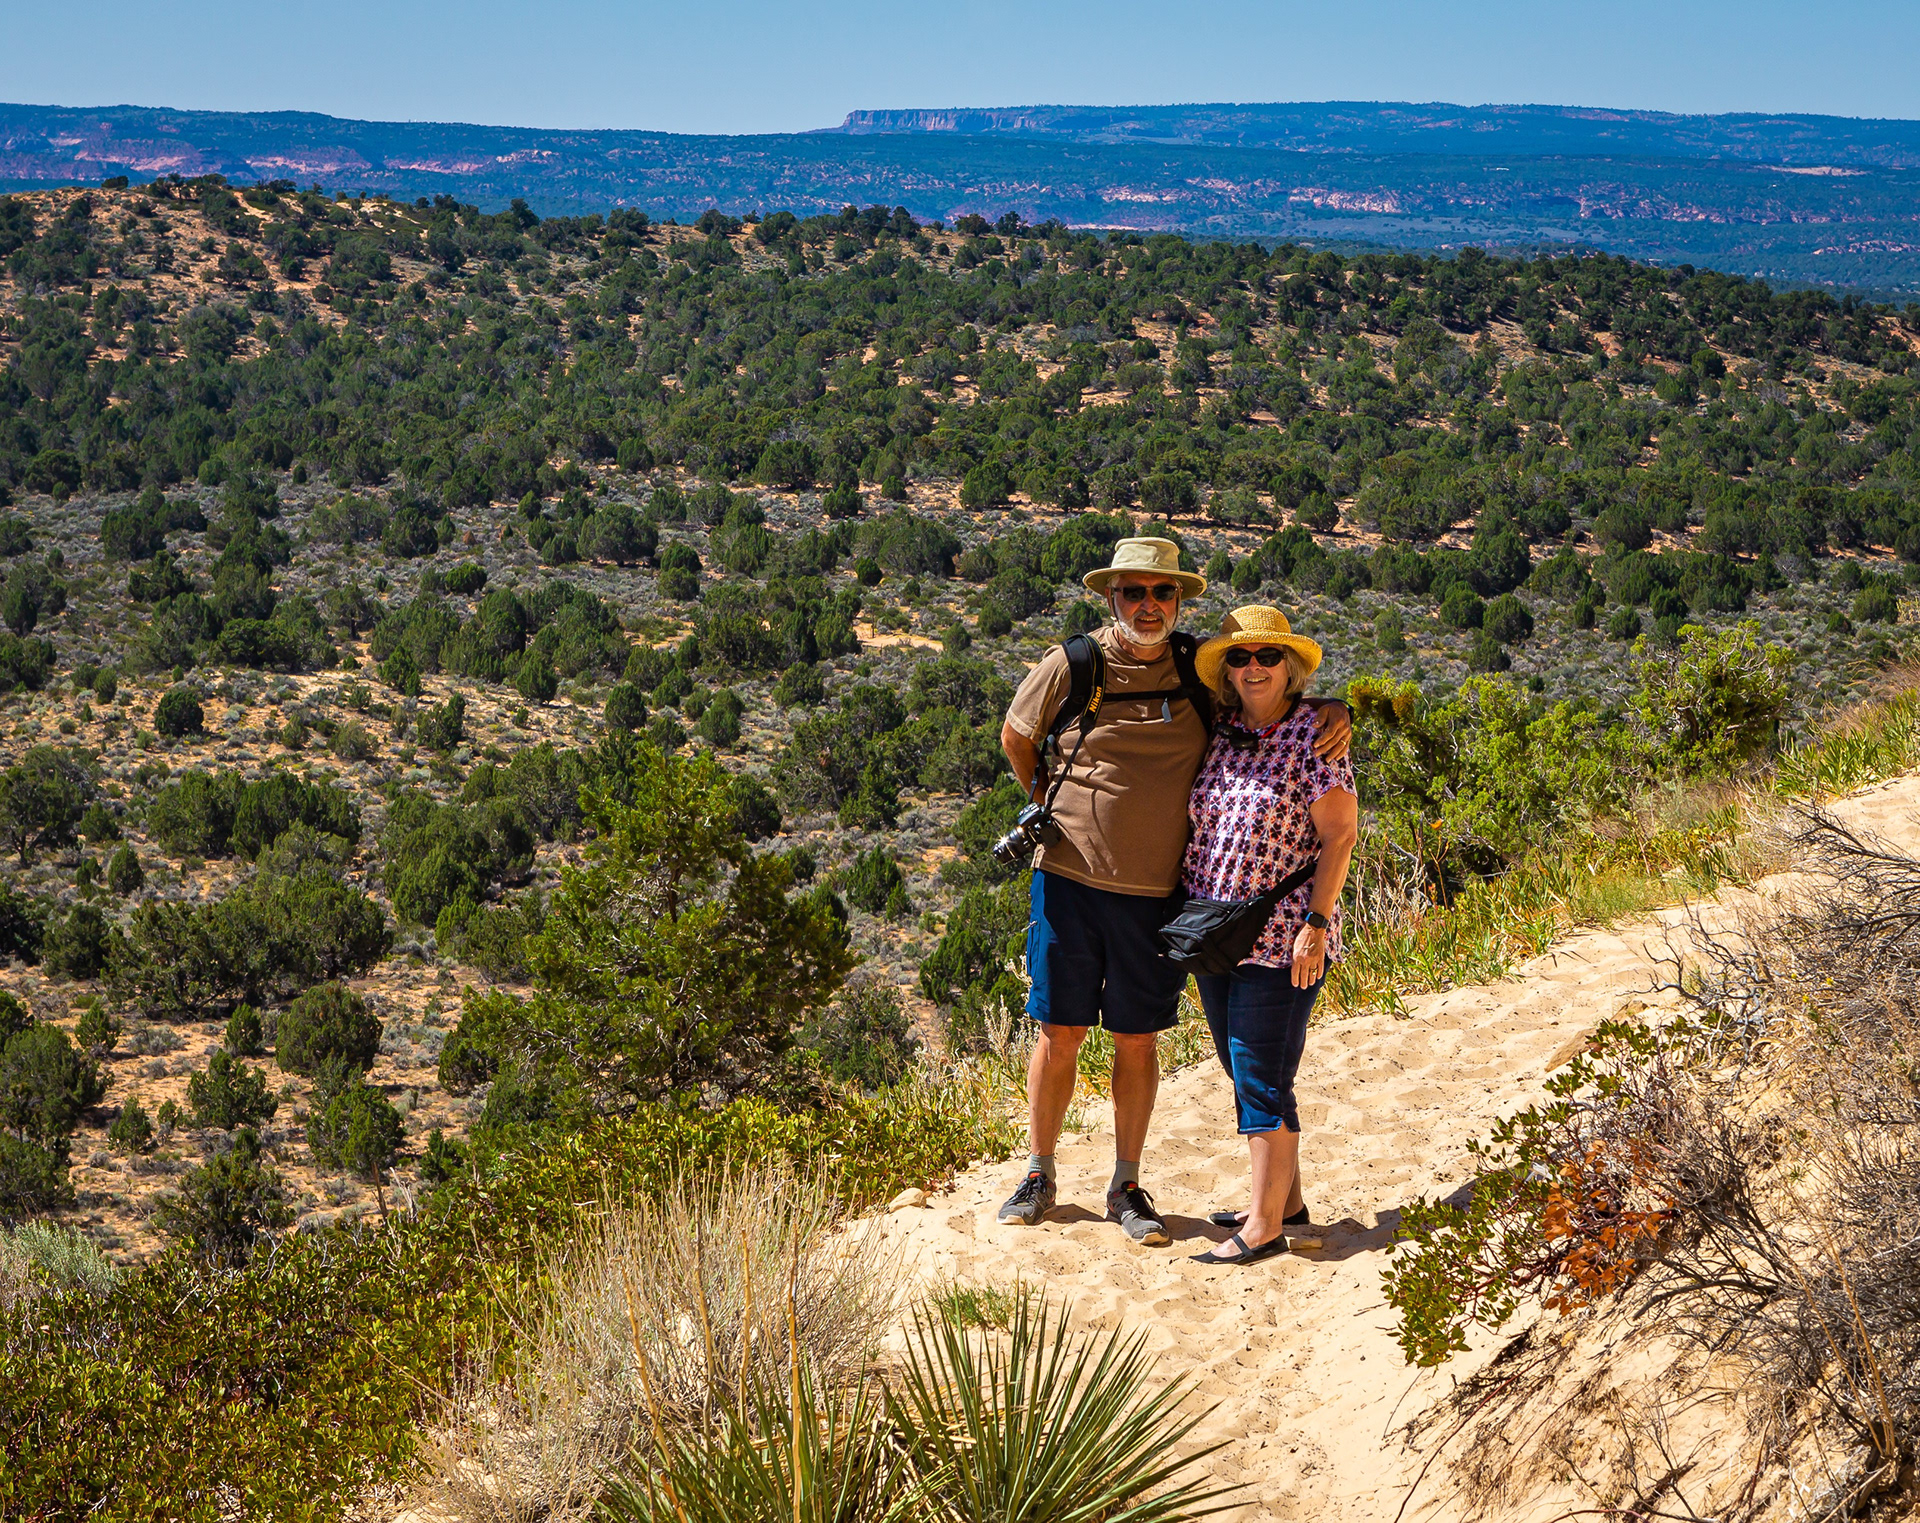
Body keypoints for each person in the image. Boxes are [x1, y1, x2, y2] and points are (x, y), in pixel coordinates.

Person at [995, 542, 1351, 1246]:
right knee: (1058, 1031)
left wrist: (1331, 708)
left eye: (1163, 591)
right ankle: (1040, 1172)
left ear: (1179, 602)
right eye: (1134, 592)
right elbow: (1016, 736)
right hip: (1067, 881)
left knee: (1136, 1037)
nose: (1148, 604)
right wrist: (1048, 804)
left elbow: (1273, 706)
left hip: (1162, 896)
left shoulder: (1197, 668)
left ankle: (1127, 1183)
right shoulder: (1074, 664)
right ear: (1112, 599)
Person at [1181, 605, 1359, 1267]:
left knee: (1259, 1075)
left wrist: (1315, 927)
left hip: (1284, 936)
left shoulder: (1314, 736)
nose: (1253, 667)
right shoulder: (1223, 729)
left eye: (1267, 656)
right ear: (1226, 671)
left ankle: (1260, 1227)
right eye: (1239, 656)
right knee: (1245, 1066)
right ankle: (1287, 1205)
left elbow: (1340, 834)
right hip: (1217, 932)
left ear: (1289, 667)